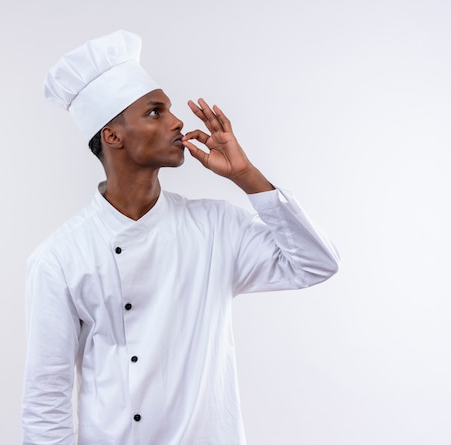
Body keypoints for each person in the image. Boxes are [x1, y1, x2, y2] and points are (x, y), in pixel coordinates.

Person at [22, 30, 339, 445]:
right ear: (112, 135)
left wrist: (246, 176)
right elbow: (47, 398)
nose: (176, 122)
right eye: (155, 112)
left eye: (170, 110)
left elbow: (316, 263)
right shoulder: (61, 257)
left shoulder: (216, 228)